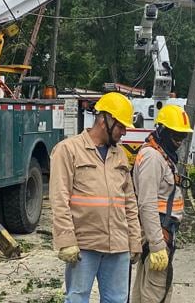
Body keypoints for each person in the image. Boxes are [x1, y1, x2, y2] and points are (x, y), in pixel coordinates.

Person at [50, 92, 142, 303]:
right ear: (104, 120)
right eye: (121, 126)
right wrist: (66, 240)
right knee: (77, 298)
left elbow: (129, 202)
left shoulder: (119, 154)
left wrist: (135, 240)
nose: (124, 132)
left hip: (118, 245)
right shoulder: (68, 150)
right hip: (84, 244)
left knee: (117, 300)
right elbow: (59, 199)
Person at [131, 105, 192, 303]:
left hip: (160, 231)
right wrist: (157, 244)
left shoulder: (162, 155)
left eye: (183, 136)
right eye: (176, 135)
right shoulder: (153, 157)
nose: (179, 141)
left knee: (145, 289)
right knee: (156, 292)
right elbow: (146, 203)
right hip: (158, 231)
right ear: (162, 130)